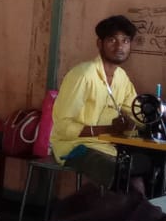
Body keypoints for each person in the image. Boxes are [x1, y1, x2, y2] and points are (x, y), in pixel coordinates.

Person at [50, 14, 152, 193]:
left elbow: (136, 113)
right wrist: (108, 129)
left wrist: (155, 118)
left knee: (150, 167)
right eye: (112, 40)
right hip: (75, 146)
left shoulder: (121, 78)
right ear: (99, 43)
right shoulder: (83, 75)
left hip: (107, 147)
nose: (120, 47)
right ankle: (120, 210)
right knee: (120, 174)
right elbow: (62, 126)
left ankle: (138, 209)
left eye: (125, 41)